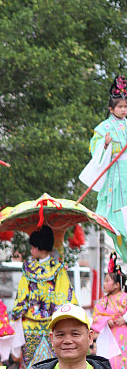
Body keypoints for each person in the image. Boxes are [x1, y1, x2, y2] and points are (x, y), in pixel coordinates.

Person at [11, 225, 76, 369]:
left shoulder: (29, 269)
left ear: (40, 247)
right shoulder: (58, 268)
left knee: (31, 365)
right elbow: (64, 296)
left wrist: (17, 312)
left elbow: (21, 296)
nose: (31, 250)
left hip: (30, 324)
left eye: (33, 247)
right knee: (54, 364)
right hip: (53, 324)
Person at [79, 75, 127, 262]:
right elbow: (95, 151)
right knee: (117, 216)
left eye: (125, 106)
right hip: (115, 172)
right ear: (111, 108)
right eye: (120, 107)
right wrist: (105, 145)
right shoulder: (103, 127)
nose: (124, 110)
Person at [91, 253, 127, 369]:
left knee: (123, 360)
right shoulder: (102, 301)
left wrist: (125, 319)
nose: (104, 284)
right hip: (107, 335)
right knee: (109, 361)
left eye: (107, 281)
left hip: (123, 335)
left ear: (117, 284)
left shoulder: (125, 297)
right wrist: (106, 320)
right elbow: (95, 317)